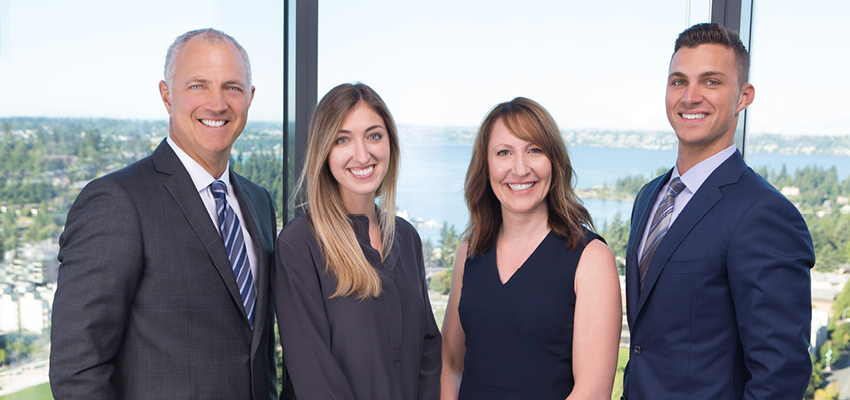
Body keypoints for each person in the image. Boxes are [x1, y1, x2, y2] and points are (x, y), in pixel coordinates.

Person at [50, 28, 288, 399]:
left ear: (250, 98)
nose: (217, 103)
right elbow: (76, 370)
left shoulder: (259, 202)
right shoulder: (117, 202)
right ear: (166, 95)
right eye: (197, 86)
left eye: (232, 87)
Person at [622, 23, 815, 400]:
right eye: (679, 82)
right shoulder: (649, 197)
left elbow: (780, 376)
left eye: (711, 82)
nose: (690, 96)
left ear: (743, 97)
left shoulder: (764, 214)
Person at [441, 97, 622, 400]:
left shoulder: (590, 259)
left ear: (554, 161)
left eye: (534, 150)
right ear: (486, 167)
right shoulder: (470, 250)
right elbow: (450, 362)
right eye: (504, 153)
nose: (520, 168)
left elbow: (593, 391)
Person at [272, 82, 441, 400]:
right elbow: (315, 381)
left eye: (374, 135)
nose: (362, 154)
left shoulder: (407, 237)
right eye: (342, 139)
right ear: (324, 151)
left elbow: (428, 354)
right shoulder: (300, 245)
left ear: (390, 141)